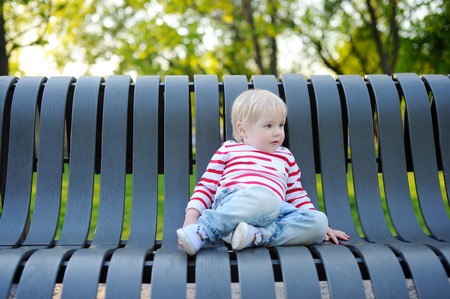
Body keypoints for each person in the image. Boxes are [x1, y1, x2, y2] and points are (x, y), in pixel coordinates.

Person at [177, 89, 349, 255]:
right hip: (236, 204)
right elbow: (206, 187)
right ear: (242, 129)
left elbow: (296, 194)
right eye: (268, 126)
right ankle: (203, 230)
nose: (277, 132)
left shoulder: (286, 156)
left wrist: (323, 228)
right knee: (266, 199)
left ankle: (255, 236)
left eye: (281, 125)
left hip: (277, 212)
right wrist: (191, 217)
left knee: (318, 222)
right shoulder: (229, 149)